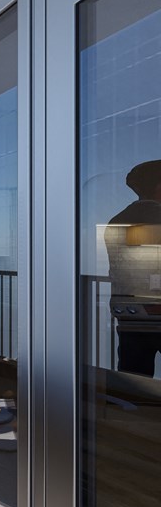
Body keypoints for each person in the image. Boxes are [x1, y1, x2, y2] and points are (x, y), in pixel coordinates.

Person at [105, 160, 161, 377]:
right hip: (155, 308)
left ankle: (132, 411)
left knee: (133, 380)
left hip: (129, 312)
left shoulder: (117, 220)